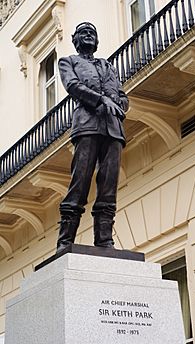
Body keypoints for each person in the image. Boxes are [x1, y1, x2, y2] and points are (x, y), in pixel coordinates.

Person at [56, 22, 129, 253]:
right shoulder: (68, 61)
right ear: (75, 39)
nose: (88, 35)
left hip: (113, 129)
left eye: (92, 33)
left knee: (109, 185)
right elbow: (73, 86)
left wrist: (120, 104)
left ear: (96, 41)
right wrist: (100, 100)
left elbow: (121, 94)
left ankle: (105, 241)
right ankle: (65, 241)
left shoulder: (107, 65)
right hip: (87, 126)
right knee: (80, 183)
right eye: (83, 32)